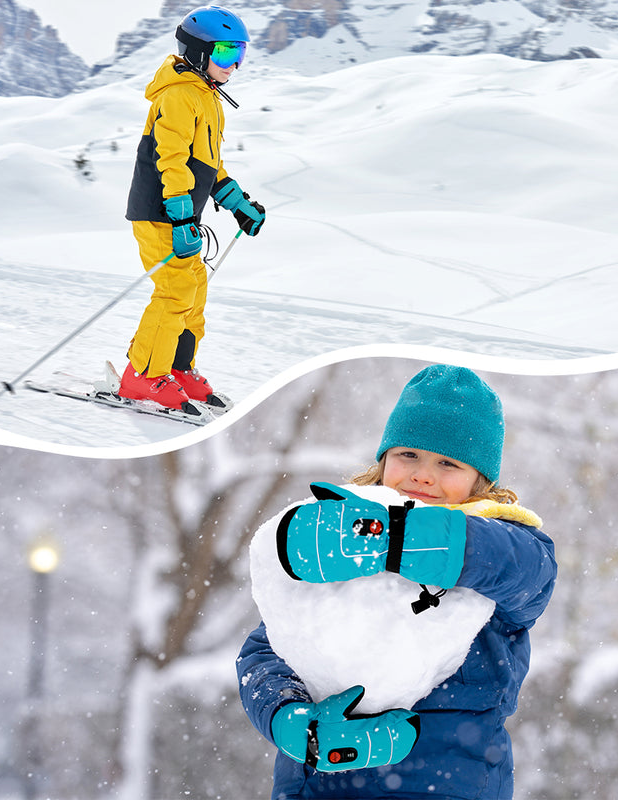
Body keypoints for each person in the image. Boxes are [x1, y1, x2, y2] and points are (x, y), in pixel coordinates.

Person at [237, 364, 558, 799]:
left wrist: (396, 536)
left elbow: (522, 570)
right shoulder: (343, 540)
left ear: (480, 481)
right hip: (320, 786)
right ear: (385, 459)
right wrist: (289, 719)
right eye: (408, 455)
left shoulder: (511, 544)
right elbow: (269, 647)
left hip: (447, 787)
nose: (423, 474)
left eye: (448, 463)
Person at [120, 5, 265, 412]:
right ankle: (142, 375)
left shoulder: (206, 96)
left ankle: (177, 368)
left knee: (194, 287)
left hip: (180, 213)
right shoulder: (180, 94)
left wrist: (238, 205)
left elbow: (207, 165)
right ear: (199, 52)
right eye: (226, 52)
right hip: (159, 211)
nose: (234, 64)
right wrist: (182, 216)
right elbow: (171, 159)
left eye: (240, 53)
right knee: (174, 290)